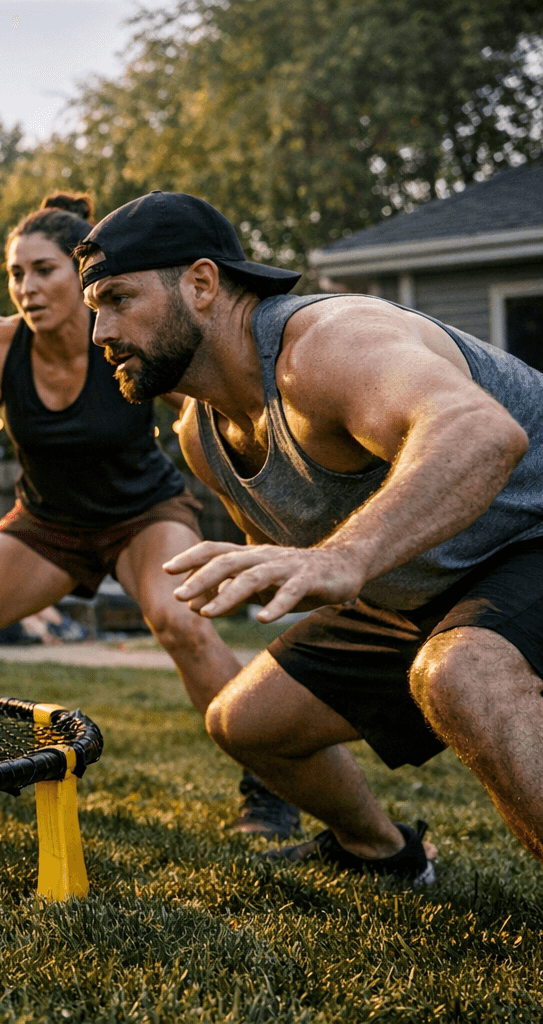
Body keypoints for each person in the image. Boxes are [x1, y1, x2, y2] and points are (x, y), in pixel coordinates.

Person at [74, 190, 543, 881]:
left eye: (118, 299)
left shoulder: (327, 344)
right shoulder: (201, 439)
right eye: (95, 310)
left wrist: (348, 556)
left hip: (526, 538)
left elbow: (481, 432)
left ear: (202, 284)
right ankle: (384, 855)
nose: (98, 334)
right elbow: (316, 566)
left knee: (463, 671)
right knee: (246, 721)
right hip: (419, 592)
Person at [0, 193, 298, 835]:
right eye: (16, 273)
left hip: (143, 516)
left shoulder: (129, 332)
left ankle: (272, 786)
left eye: (44, 270)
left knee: (181, 626)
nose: (27, 287)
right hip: (46, 525)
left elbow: (221, 398)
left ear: (82, 274)